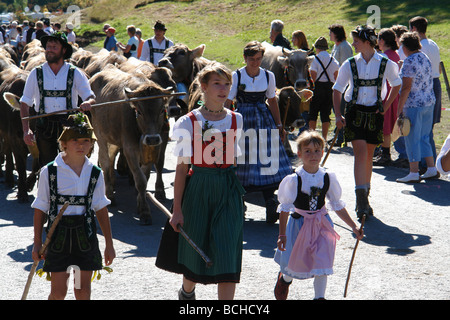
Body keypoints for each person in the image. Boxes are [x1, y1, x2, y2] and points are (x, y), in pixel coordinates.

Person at [155, 63, 245, 300]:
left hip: (228, 190)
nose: (223, 89)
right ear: (204, 87)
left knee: (227, 253)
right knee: (195, 251)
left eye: (227, 84)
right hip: (198, 189)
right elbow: (182, 168)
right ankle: (187, 293)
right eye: (217, 83)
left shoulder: (237, 120)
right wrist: (176, 211)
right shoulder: (187, 122)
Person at [31, 113, 115, 300]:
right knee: (58, 293)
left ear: (92, 143)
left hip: (85, 237)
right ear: (64, 143)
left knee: (82, 291)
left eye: (86, 140)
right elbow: (40, 207)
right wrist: (37, 242)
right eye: (75, 140)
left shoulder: (95, 173)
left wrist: (109, 244)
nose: (81, 145)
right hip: (58, 237)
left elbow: (101, 208)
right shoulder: (49, 172)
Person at [274, 130, 363, 300]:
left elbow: (336, 205)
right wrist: (282, 234)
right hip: (299, 225)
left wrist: (353, 226)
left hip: (322, 224)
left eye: (317, 151)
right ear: (299, 153)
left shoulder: (327, 177)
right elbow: (285, 208)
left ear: (322, 153)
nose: (313, 155)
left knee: (323, 261)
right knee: (294, 263)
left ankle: (319, 297)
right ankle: (285, 280)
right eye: (307, 151)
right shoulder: (294, 180)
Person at [332, 25, 401, 221]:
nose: (353, 44)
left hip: (375, 114)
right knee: (360, 153)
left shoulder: (385, 63)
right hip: (354, 112)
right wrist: (338, 115)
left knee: (368, 156)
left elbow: (397, 84)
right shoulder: (350, 63)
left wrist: (386, 107)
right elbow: (337, 89)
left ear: (367, 42)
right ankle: (360, 199)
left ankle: (365, 197)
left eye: (356, 40)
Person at [225, 41, 292, 223]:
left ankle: (270, 200)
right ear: (245, 58)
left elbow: (272, 101)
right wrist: (226, 124)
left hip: (263, 119)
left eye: (258, 59)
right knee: (243, 159)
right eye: (252, 59)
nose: (255, 62)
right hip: (243, 119)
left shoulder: (268, 76)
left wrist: (279, 125)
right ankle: (240, 201)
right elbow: (228, 102)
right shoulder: (237, 75)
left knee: (266, 158)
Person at [19, 32, 95, 168]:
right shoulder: (36, 73)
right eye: (48, 46)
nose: (50, 50)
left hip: (68, 126)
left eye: (54, 47)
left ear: (63, 50)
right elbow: (24, 103)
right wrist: (26, 130)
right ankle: (50, 188)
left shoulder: (75, 72)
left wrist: (87, 103)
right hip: (44, 125)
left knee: (70, 164)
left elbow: (90, 97)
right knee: (48, 166)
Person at [395, 32, 438, 183]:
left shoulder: (409, 61)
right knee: (425, 136)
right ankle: (431, 168)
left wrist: (400, 109)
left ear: (405, 47)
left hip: (413, 104)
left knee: (411, 136)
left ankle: (414, 171)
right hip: (428, 101)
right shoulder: (424, 57)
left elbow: (406, 87)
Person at [409, 16, 442, 168]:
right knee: (428, 128)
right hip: (435, 83)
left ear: (414, 29)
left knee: (423, 129)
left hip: (426, 85)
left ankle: (425, 163)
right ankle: (429, 163)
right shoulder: (433, 43)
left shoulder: (421, 47)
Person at [373, 28, 401, 166]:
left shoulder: (385, 57)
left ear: (382, 41)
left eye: (378, 39)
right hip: (395, 95)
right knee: (388, 126)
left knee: (385, 127)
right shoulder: (395, 55)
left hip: (386, 95)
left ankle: (385, 155)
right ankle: (384, 153)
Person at [308, 37, 339, 142]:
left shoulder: (314, 60)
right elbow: (336, 77)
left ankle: (312, 138)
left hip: (317, 88)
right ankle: (324, 138)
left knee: (313, 114)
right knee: (326, 114)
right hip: (329, 89)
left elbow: (313, 77)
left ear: (317, 48)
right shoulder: (333, 60)